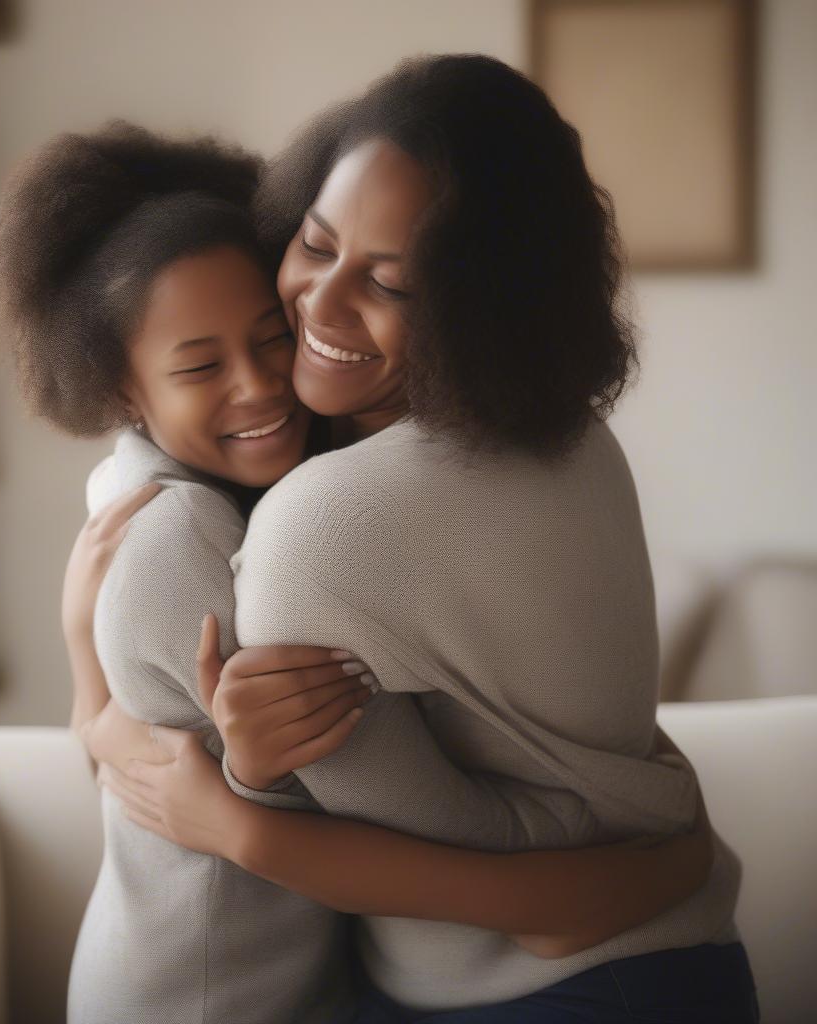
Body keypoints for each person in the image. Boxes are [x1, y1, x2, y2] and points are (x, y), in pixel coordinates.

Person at [68, 56, 759, 1022]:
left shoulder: (328, 525)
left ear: (480, 305)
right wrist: (91, 678)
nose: (319, 304)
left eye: (389, 282)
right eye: (315, 243)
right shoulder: (566, 432)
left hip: (576, 984)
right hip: (591, 968)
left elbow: (497, 854)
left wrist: (245, 823)